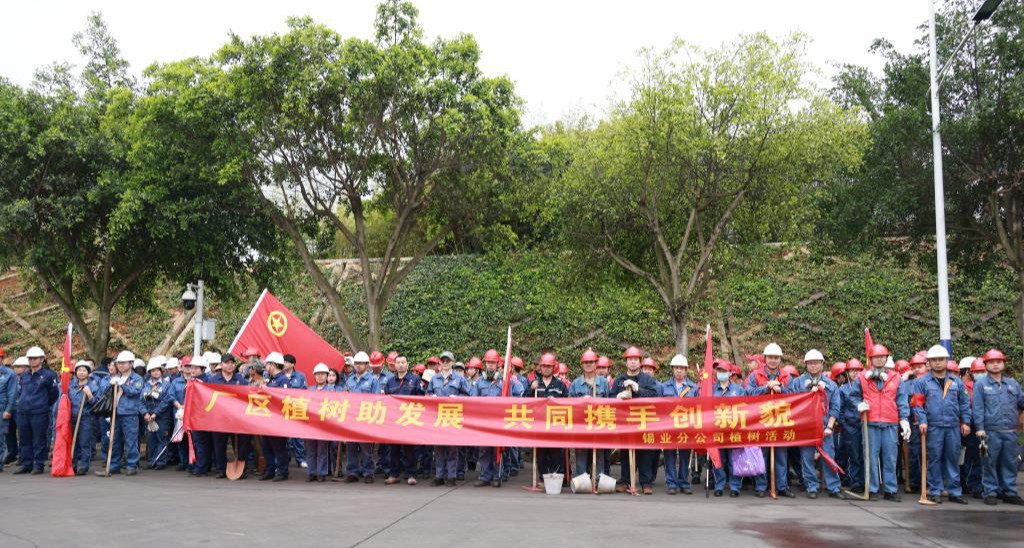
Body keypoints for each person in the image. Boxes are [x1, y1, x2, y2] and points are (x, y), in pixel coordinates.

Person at [847, 343, 910, 501]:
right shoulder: (863, 377)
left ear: (887, 358)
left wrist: (904, 420)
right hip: (870, 422)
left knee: (890, 457)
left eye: (882, 357)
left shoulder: (896, 378)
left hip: (890, 422)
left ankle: (890, 490)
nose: (879, 359)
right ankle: (872, 489)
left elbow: (902, 400)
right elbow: (853, 396)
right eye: (876, 357)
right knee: (870, 458)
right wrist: (858, 405)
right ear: (871, 359)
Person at [911, 345, 972, 504]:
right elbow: (917, 404)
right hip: (933, 426)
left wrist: (965, 422)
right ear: (929, 362)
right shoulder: (921, 382)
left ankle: (954, 492)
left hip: (953, 426)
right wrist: (922, 421)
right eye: (934, 360)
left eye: (941, 359)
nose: (937, 362)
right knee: (934, 459)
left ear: (946, 361)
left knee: (953, 459)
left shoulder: (956, 382)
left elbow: (964, 403)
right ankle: (935, 491)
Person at [788, 349, 844, 499]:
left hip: (825, 427)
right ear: (806, 365)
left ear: (822, 364)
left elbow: (835, 407)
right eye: (810, 363)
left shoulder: (831, 384)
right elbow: (791, 403)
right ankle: (811, 487)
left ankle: (834, 487)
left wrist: (830, 426)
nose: (813, 366)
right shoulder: (797, 383)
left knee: (829, 457)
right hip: (806, 428)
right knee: (806, 458)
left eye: (816, 363)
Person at [971, 348, 1024, 506]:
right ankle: (990, 492)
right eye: (991, 362)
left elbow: (1021, 402)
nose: (995, 365)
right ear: (986, 365)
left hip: (1010, 432)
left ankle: (1009, 492)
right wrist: (979, 428)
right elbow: (978, 408)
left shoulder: (1013, 384)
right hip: (988, 433)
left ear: (1003, 364)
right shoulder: (980, 385)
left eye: (998, 362)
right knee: (988, 462)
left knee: (1010, 463)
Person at [745, 343, 795, 497]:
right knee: (762, 454)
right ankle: (761, 486)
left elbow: (794, 396)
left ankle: (782, 486)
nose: (773, 360)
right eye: (770, 357)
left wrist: (781, 389)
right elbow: (749, 393)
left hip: (780, 420)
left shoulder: (786, 377)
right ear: (765, 358)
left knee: (781, 455)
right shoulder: (755, 376)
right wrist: (766, 388)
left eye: (776, 358)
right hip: (761, 420)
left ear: (780, 359)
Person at [471, 349, 523, 487]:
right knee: (484, 450)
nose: (490, 365)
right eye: (488, 362)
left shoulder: (504, 382)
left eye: (493, 363)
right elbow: (473, 400)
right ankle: (485, 476)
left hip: (499, 422)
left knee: (497, 450)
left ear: (497, 364)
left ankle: (497, 475)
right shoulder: (480, 382)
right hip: (483, 422)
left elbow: (511, 400)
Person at [612, 346, 659, 494]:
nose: (633, 362)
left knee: (645, 452)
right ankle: (626, 481)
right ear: (626, 362)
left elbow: (654, 395)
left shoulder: (647, 379)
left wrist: (638, 389)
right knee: (625, 452)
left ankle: (646, 482)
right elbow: (611, 398)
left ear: (640, 362)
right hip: (625, 423)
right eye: (630, 359)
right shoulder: (619, 380)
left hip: (643, 421)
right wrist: (618, 396)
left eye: (635, 359)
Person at [95, 350, 144, 477]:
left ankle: (132, 465)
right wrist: (111, 384)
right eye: (119, 363)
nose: (120, 365)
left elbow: (134, 392)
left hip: (130, 414)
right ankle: (114, 465)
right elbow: (105, 393)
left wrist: (122, 385)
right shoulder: (116, 377)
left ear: (131, 364)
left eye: (123, 363)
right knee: (114, 440)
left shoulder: (137, 378)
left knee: (130, 441)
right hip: (115, 413)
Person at [702, 359, 746, 496]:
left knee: (734, 459)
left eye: (724, 371)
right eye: (719, 371)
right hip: (717, 430)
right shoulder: (711, 390)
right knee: (718, 459)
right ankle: (719, 485)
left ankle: (735, 486)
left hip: (734, 430)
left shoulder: (738, 390)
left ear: (730, 373)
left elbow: (746, 408)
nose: (721, 373)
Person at [427, 351, 471, 486]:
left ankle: (452, 476)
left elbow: (468, 396)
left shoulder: (459, 378)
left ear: (452, 362)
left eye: (448, 361)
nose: (445, 363)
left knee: (452, 449)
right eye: (443, 361)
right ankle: (439, 476)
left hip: (453, 417)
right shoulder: (435, 379)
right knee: (439, 448)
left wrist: (457, 398)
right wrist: (431, 397)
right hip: (438, 418)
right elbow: (428, 393)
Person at [13, 346, 58, 475]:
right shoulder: (24, 375)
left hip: (39, 411)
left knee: (39, 439)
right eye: (30, 358)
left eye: (35, 358)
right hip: (23, 411)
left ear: (42, 359)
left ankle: (38, 464)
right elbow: (20, 391)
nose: (32, 361)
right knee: (24, 438)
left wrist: (43, 404)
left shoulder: (49, 375)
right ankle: (26, 464)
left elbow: (54, 393)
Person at [659, 354, 697, 495]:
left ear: (686, 370)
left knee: (684, 455)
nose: (679, 371)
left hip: (686, 427)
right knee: (669, 455)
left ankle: (684, 482)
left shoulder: (693, 388)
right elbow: (659, 407)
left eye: (681, 368)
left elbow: (698, 408)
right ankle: (671, 483)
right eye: (676, 368)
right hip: (668, 427)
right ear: (672, 369)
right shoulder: (664, 386)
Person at [384, 355, 423, 485]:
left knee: (409, 449)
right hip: (394, 420)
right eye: (398, 362)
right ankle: (394, 474)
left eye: (403, 362)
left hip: (409, 419)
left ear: (407, 364)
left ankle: (411, 474)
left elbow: (421, 397)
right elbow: (386, 399)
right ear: (394, 365)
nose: (400, 365)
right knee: (393, 449)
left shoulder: (415, 379)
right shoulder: (390, 381)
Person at [343, 351, 380, 483]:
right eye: (356, 363)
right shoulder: (350, 380)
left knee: (366, 448)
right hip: (351, 418)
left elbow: (377, 400)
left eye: (361, 363)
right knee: (351, 446)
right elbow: (344, 397)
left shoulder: (373, 380)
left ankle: (368, 472)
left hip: (365, 418)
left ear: (367, 365)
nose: (358, 365)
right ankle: (352, 472)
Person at [207, 352, 245, 478]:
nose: (230, 365)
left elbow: (247, 396)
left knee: (239, 445)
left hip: (237, 418)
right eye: (227, 363)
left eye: (232, 363)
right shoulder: (213, 380)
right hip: (219, 418)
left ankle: (241, 470)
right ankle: (221, 470)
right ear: (221, 365)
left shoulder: (240, 379)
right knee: (219, 445)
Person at [260, 352, 291, 482]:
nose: (266, 367)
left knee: (279, 447)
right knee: (267, 446)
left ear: (273, 365)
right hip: (268, 418)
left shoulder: (283, 380)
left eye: (267, 364)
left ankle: (283, 471)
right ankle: (270, 470)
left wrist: (267, 390)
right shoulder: (272, 380)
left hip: (278, 420)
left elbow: (284, 398)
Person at [141, 358, 173, 471]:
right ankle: (151, 461)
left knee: (162, 438)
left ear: (161, 371)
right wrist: (144, 413)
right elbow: (140, 401)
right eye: (153, 370)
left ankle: (161, 461)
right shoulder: (146, 385)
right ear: (150, 372)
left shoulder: (166, 385)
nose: (156, 372)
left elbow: (167, 401)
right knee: (151, 439)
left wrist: (156, 412)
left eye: (158, 370)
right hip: (148, 417)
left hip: (162, 416)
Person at [66, 360, 97, 475]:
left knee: (84, 442)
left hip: (86, 417)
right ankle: (72, 465)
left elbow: (96, 404)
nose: (81, 372)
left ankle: (84, 466)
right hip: (72, 417)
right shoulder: (71, 386)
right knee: (73, 442)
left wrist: (89, 394)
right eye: (79, 370)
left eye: (84, 370)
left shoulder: (93, 386)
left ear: (88, 373)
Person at [306, 363, 334, 482]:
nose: (320, 376)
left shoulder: (332, 390)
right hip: (310, 424)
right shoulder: (309, 390)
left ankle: (321, 473)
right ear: (314, 376)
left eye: (323, 374)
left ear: (327, 376)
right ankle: (311, 472)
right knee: (310, 449)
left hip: (324, 424)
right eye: (318, 374)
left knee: (322, 449)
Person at [283, 354, 308, 470]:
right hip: (283, 409)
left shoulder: (300, 376)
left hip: (297, 408)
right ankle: (285, 459)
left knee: (298, 435)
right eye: (283, 362)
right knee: (285, 436)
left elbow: (305, 391)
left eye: (287, 362)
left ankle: (300, 459)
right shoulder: (280, 375)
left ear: (293, 364)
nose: (284, 364)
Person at [0, 352, 17, 472]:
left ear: (2, 358)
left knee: (0, 438)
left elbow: (12, 393)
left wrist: (8, 409)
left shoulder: (9, 374)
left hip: (1, 409)